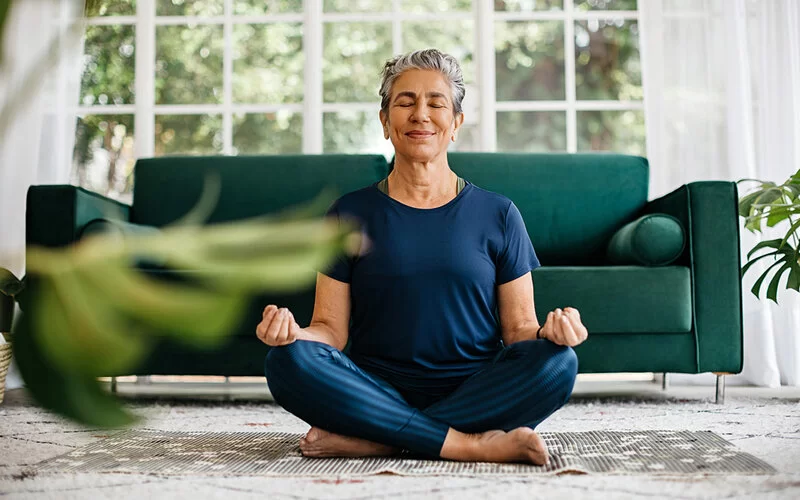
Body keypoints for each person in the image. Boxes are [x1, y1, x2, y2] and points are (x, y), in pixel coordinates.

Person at [257, 49, 588, 465]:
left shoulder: (499, 214)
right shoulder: (348, 214)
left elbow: (520, 330)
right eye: (405, 102)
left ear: (456, 124)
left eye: (436, 103)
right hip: (374, 388)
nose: (421, 115)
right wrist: (293, 336)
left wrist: (551, 334)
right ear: (384, 121)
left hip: (475, 389)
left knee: (559, 363)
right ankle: (466, 444)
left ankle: (383, 438)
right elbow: (330, 331)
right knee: (286, 361)